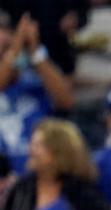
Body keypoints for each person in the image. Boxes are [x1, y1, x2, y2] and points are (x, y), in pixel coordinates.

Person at [0, 12, 75, 173]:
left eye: (9, 47)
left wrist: (35, 51)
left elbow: (66, 101)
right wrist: (15, 46)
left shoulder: (34, 82)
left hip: (40, 177)